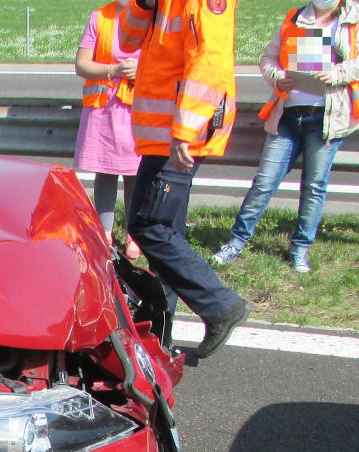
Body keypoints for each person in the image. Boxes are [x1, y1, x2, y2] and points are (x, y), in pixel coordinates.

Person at [118, 0, 252, 359]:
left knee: (150, 225)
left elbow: (210, 64)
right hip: (162, 134)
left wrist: (184, 130)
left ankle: (221, 306)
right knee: (164, 231)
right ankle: (159, 335)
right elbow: (127, 38)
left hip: (180, 134)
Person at [210, 0, 359, 273]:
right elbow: (268, 58)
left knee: (314, 187)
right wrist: (278, 77)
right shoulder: (296, 18)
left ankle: (300, 248)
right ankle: (236, 241)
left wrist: (337, 73)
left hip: (327, 118)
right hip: (288, 116)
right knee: (264, 182)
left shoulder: (356, 18)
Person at [74, 0, 142, 260]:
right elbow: (81, 64)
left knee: (136, 173)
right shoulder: (100, 17)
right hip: (103, 109)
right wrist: (113, 69)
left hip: (137, 109)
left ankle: (134, 233)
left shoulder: (152, 17)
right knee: (105, 171)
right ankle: (104, 234)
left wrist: (141, 70)